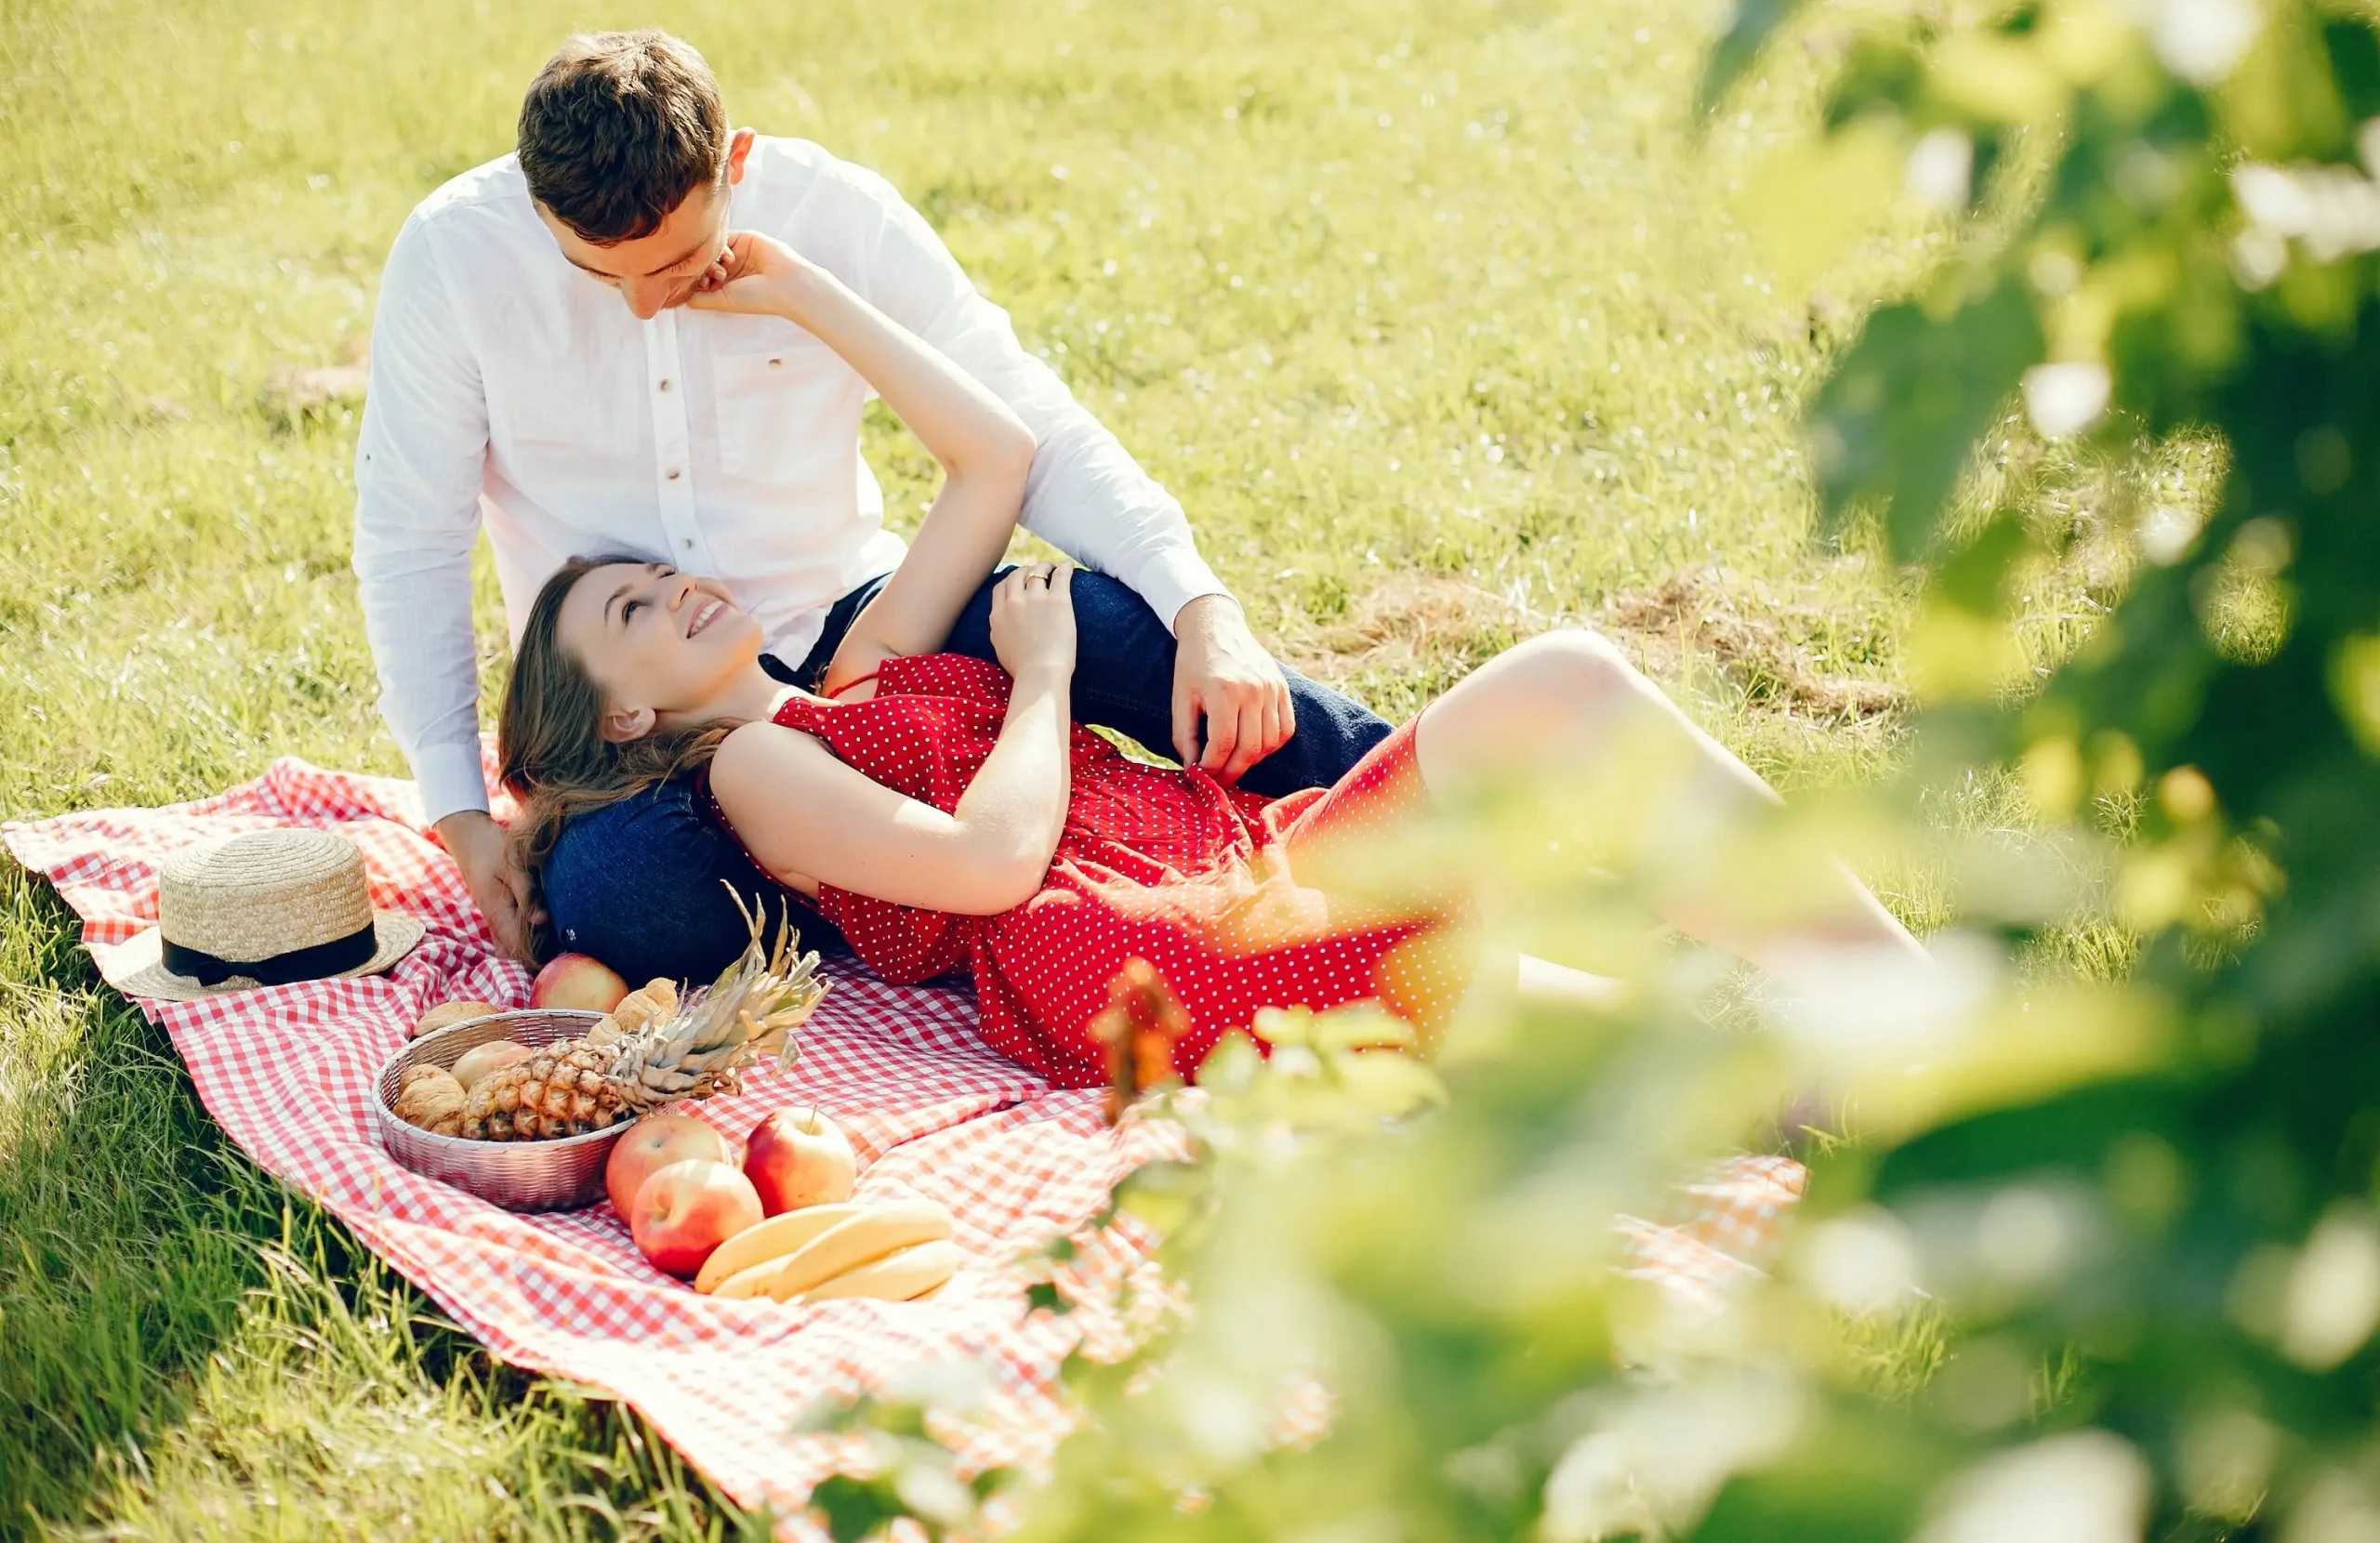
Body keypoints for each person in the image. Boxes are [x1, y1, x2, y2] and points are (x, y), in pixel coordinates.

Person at [495, 225, 1932, 1088]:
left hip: (1227, 865)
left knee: (1685, 1067)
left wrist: (804, 289)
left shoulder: (859, 672)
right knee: (1556, 685)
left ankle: (1936, 1087)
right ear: (621, 715)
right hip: (1148, 953)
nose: (672, 588)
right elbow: (989, 865)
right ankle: (1933, 1012)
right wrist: (1045, 674)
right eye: (630, 610)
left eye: (659, 570)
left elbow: (993, 455)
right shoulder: (752, 769)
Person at [353, 29, 1391, 983]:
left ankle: (1434, 807)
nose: (641, 302)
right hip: (650, 712)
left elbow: (1021, 418)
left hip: (866, 630)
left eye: (671, 264)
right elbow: (411, 540)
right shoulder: (454, 256)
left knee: (1108, 624)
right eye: (598, 274)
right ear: (539, 209)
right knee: (619, 893)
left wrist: (1201, 606)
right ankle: (920, 878)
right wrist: (460, 814)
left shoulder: (832, 212)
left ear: (737, 164)